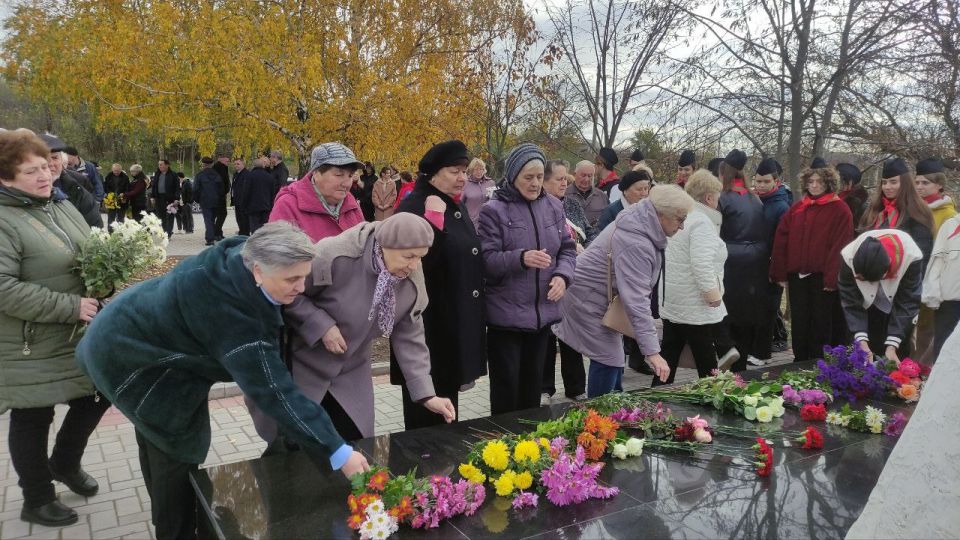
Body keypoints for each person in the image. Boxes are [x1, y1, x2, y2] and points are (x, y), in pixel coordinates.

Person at [76, 222, 370, 540]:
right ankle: (175, 529)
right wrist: (339, 451)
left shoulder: (242, 254)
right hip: (129, 360)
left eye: (304, 275)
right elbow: (275, 391)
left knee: (160, 440)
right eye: (292, 279)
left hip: (134, 337)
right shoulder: (233, 317)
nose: (301, 288)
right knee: (176, 446)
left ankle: (169, 516)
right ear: (258, 271)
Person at [249, 214, 456, 447]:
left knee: (354, 445)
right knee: (296, 447)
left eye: (421, 257)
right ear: (385, 246)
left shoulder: (410, 280)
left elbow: (410, 335)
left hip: (351, 373)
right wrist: (321, 325)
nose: (415, 265)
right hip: (304, 367)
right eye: (408, 256)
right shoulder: (334, 255)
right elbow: (288, 292)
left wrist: (426, 394)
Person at [0, 129, 110, 527]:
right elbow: (3, 288)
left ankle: (64, 462)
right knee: (33, 415)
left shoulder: (57, 203)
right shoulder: (4, 218)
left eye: (46, 167)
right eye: (32, 172)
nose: (45, 176)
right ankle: (37, 497)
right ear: (5, 179)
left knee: (100, 392)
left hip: (76, 331)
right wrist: (70, 306)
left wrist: (108, 272)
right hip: (29, 341)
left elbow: (86, 251)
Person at [554, 185, 692, 397]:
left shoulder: (642, 223)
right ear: (661, 215)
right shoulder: (636, 241)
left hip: (597, 298)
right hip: (585, 300)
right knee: (609, 357)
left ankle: (614, 409)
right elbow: (636, 299)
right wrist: (653, 352)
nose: (682, 226)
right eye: (680, 219)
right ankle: (598, 416)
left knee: (613, 356)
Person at [477, 143, 577, 414]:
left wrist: (562, 277)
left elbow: (567, 250)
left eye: (539, 177)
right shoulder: (493, 210)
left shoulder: (554, 207)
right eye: (528, 177)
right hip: (506, 320)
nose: (535, 184)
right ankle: (503, 448)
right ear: (512, 176)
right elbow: (485, 262)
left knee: (533, 393)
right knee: (507, 394)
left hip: (541, 318)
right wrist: (520, 258)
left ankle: (531, 450)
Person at [395, 140, 486, 429]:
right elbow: (408, 266)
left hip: (452, 324)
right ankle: (425, 470)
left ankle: (443, 470)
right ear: (433, 173)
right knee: (426, 416)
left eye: (463, 171)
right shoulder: (416, 204)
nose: (462, 177)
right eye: (454, 171)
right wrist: (433, 222)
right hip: (429, 329)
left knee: (446, 410)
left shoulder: (449, 203)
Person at [770, 165, 853, 363]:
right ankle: (799, 359)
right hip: (797, 275)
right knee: (799, 319)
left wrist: (832, 278)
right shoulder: (798, 208)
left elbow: (840, 246)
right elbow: (782, 239)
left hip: (821, 276)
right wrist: (779, 272)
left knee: (820, 321)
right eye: (811, 182)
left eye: (819, 182)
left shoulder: (840, 209)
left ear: (828, 183)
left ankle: (818, 361)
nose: (814, 186)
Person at [657, 169, 727, 384]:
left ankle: (654, 402)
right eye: (717, 197)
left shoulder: (683, 217)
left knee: (668, 355)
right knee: (706, 360)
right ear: (709, 197)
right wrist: (712, 295)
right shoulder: (702, 222)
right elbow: (702, 263)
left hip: (674, 298)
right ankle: (713, 400)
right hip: (695, 303)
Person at [540, 160, 588, 401]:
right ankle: (545, 387)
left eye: (565, 179)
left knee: (571, 334)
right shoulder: (537, 206)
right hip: (546, 279)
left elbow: (588, 232)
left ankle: (576, 387)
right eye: (558, 179)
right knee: (548, 337)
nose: (563, 183)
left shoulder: (571, 204)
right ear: (544, 180)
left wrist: (581, 246)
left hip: (571, 278)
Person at [716, 149, 768, 371]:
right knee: (746, 314)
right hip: (755, 261)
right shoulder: (755, 198)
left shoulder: (722, 198)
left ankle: (727, 357)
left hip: (731, 260)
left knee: (727, 313)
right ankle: (742, 363)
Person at [839, 229, 923, 362]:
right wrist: (861, 342)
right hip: (867, 307)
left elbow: (908, 303)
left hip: (896, 305)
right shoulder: (848, 256)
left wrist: (892, 346)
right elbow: (851, 303)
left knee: (895, 357)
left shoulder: (912, 255)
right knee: (861, 355)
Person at [270, 142, 365, 242]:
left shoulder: (351, 203)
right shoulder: (288, 205)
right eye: (339, 175)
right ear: (316, 173)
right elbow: (277, 255)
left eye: (350, 176)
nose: (346, 184)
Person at [861, 157, 934, 268]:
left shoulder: (917, 211)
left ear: (905, 183)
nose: (887, 187)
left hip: (902, 277)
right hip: (869, 274)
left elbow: (921, 256)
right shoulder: (875, 209)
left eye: (893, 182)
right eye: (884, 183)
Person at [753, 157, 792, 356]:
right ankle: (755, 349)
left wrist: (777, 270)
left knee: (768, 311)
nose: (761, 185)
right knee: (754, 309)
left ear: (776, 182)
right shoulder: (754, 200)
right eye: (758, 181)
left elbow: (782, 243)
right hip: (753, 263)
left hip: (770, 265)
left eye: (765, 181)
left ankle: (763, 353)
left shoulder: (781, 207)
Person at [38, 134, 102, 228]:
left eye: (55, 158)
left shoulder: (77, 184)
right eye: (45, 159)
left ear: (62, 160)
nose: (51, 163)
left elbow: (95, 225)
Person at [923, 213, 960, 358]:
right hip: (950, 303)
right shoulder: (950, 225)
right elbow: (937, 261)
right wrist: (933, 295)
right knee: (944, 351)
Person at [566, 160, 609, 229]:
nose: (586, 179)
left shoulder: (602, 197)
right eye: (583, 175)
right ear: (575, 174)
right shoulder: (564, 194)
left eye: (590, 176)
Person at [243, 156, 278, 234]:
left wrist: (244, 205)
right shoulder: (270, 177)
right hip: (266, 206)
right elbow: (272, 193)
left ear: (254, 166)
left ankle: (255, 242)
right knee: (264, 227)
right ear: (263, 165)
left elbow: (246, 192)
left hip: (253, 207)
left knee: (254, 227)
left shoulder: (249, 176)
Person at [193, 157, 223, 246]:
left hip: (205, 201)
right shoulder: (217, 175)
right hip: (216, 201)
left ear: (203, 164)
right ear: (211, 164)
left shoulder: (200, 175)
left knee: (208, 220)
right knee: (212, 219)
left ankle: (210, 239)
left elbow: (195, 189)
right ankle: (212, 235)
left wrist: (197, 199)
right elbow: (221, 189)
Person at [150, 159, 180, 238]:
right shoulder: (157, 174)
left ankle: (168, 233)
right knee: (160, 216)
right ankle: (163, 232)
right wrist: (152, 197)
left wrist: (176, 198)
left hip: (170, 199)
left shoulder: (173, 175)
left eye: (161, 164)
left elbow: (177, 188)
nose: (160, 166)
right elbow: (154, 186)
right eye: (159, 164)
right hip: (159, 198)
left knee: (169, 216)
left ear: (167, 165)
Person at [462, 157, 495, 227]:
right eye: (476, 169)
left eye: (481, 169)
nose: (479, 172)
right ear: (471, 170)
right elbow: (460, 205)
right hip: (471, 224)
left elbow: (496, 201)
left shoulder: (490, 183)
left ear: (484, 170)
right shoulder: (465, 184)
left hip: (488, 223)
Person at [836, 163, 869, 232]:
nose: (836, 184)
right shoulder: (834, 198)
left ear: (850, 183)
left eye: (839, 181)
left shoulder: (860, 205)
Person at [213, 155, 231, 240]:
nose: (228, 163)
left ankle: (218, 232)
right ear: (221, 160)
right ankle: (217, 233)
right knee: (222, 214)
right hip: (219, 196)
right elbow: (223, 182)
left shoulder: (220, 168)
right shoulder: (221, 169)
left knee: (220, 215)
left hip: (219, 195)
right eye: (226, 161)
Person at [231, 157, 250, 236]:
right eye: (235, 164)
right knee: (238, 217)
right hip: (236, 200)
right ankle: (241, 231)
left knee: (244, 218)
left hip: (243, 200)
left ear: (243, 164)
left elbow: (246, 189)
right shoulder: (236, 174)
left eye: (238, 164)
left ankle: (245, 233)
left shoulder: (247, 174)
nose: (236, 165)